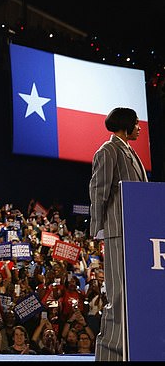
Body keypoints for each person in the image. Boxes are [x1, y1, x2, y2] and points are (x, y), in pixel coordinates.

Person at [89, 107, 147, 361]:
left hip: (134, 231)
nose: (139, 128)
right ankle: (109, 353)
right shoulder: (108, 150)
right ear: (125, 125)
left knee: (132, 294)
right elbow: (98, 190)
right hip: (117, 232)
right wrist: (97, 229)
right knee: (118, 295)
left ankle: (130, 350)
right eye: (136, 123)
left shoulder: (131, 152)